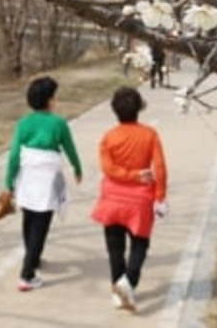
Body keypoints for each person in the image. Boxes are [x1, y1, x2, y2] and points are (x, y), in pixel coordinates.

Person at [91, 87, 168, 312]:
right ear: (139, 109)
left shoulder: (108, 137)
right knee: (140, 245)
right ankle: (129, 282)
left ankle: (118, 288)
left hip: (112, 199)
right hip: (140, 200)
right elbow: (160, 167)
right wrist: (160, 196)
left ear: (115, 110)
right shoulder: (150, 134)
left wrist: (128, 174)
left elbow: (108, 168)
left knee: (115, 249)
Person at [4, 76, 82, 292]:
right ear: (49, 100)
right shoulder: (58, 123)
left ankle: (33, 258)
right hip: (47, 178)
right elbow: (70, 148)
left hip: (27, 177)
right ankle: (27, 274)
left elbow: (14, 156)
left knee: (29, 219)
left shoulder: (24, 124)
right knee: (41, 224)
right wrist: (77, 168)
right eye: (54, 96)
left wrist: (8, 181)